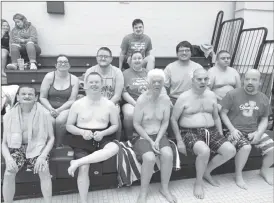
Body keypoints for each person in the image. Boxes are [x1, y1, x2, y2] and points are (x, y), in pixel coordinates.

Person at [170, 69, 236, 199]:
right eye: (199, 79)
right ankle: (198, 182)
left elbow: (216, 117)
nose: (203, 82)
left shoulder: (211, 95)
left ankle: (207, 171)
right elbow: (173, 119)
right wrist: (179, 140)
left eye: (205, 79)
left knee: (230, 150)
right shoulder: (184, 97)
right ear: (193, 80)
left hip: (210, 130)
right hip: (189, 131)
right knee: (204, 151)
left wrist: (221, 133)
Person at [66, 72, 119, 203]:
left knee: (114, 148)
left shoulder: (109, 105)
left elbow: (115, 125)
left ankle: (76, 162)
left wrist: (103, 133)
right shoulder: (77, 104)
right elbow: (68, 126)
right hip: (81, 138)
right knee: (84, 168)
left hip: (102, 136)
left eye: (97, 82)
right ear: (85, 85)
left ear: (102, 85)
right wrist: (81, 132)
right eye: (91, 82)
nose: (94, 85)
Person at [220, 69, 274, 189]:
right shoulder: (232, 94)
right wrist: (232, 129)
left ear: (260, 82)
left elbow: (265, 119)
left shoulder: (263, 98)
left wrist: (259, 133)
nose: (250, 82)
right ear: (243, 80)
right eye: (247, 79)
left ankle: (264, 170)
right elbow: (222, 113)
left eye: (254, 79)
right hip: (233, 130)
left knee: (272, 150)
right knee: (246, 147)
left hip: (254, 131)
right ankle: (238, 175)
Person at [2, 85, 54, 203]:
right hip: (17, 148)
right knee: (8, 173)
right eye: (23, 94)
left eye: (30, 94)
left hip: (38, 148)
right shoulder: (9, 116)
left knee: (43, 168)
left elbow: (51, 138)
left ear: (35, 98)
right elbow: (4, 143)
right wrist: (9, 159)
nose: (26, 96)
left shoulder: (45, 114)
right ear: (18, 97)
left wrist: (42, 156)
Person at [132, 69, 176, 203]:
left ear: (163, 83)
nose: (157, 84)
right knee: (150, 158)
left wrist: (157, 139)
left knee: (168, 155)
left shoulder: (165, 99)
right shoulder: (142, 100)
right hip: (142, 135)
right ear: (148, 83)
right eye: (154, 81)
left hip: (159, 134)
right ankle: (143, 192)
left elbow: (165, 121)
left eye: (160, 81)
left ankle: (164, 188)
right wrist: (151, 142)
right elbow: (136, 124)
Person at [40, 55, 79, 147]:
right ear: (56, 65)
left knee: (60, 120)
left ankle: (58, 143)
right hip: (48, 106)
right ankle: (49, 143)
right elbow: (42, 97)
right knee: (51, 120)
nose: (63, 64)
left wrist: (58, 110)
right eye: (60, 62)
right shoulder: (49, 76)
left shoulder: (74, 79)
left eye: (65, 62)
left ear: (69, 65)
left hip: (66, 107)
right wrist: (50, 109)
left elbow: (72, 100)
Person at [84, 47, 124, 138]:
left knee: (116, 116)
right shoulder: (90, 71)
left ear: (111, 59)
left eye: (106, 56)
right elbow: (88, 92)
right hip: (93, 102)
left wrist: (105, 106)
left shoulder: (117, 72)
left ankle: (117, 141)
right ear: (96, 58)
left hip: (112, 102)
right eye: (100, 56)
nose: (103, 58)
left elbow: (117, 95)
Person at [164, 41, 203, 105]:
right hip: (174, 100)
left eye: (187, 50)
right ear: (177, 53)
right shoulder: (170, 67)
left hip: (193, 100)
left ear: (191, 53)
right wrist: (166, 100)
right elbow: (163, 87)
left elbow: (205, 86)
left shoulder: (198, 68)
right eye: (181, 51)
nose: (184, 53)